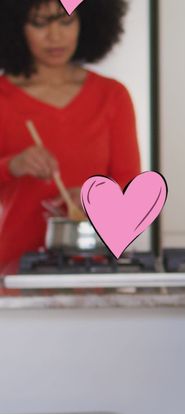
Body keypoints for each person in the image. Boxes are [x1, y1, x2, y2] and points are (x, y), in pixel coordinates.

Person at [0, 0, 140, 275]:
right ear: (15, 27)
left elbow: (131, 186)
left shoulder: (112, 95)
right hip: (15, 270)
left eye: (66, 21)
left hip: (95, 268)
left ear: (85, 23)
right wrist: (12, 165)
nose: (55, 36)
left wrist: (99, 198)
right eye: (39, 23)